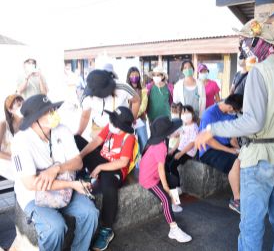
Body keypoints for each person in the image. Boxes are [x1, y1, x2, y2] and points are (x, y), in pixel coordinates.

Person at [195, 18, 274, 251]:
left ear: (260, 41)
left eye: (247, 41)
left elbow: (253, 122)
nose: (244, 46)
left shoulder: (259, 72)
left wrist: (213, 129)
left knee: (251, 226)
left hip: (260, 157)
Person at [12, 94, 98, 251]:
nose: (54, 113)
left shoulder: (62, 130)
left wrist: (56, 168)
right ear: (34, 119)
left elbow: (78, 162)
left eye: (53, 108)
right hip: (35, 197)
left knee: (90, 213)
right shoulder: (21, 141)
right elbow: (32, 183)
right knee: (55, 229)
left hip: (65, 190)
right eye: (48, 111)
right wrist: (72, 184)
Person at [79, 106, 135, 250]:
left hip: (115, 169)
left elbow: (123, 162)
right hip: (102, 162)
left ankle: (107, 229)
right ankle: (81, 174)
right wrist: (80, 156)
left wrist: (100, 168)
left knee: (108, 185)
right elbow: (95, 142)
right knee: (77, 140)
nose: (111, 123)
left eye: (114, 122)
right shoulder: (110, 128)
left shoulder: (129, 137)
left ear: (122, 126)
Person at [139, 116, 192, 243]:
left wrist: (168, 184)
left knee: (173, 180)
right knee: (165, 198)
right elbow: (161, 169)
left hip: (154, 174)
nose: (177, 130)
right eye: (175, 129)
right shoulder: (160, 146)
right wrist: (166, 188)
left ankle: (175, 203)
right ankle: (173, 230)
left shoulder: (159, 141)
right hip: (149, 180)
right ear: (168, 133)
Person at [198, 94, 242, 214]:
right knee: (236, 161)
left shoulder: (231, 114)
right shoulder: (209, 114)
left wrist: (239, 149)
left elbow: (233, 138)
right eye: (237, 111)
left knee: (245, 157)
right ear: (231, 108)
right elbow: (208, 140)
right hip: (208, 150)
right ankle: (236, 200)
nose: (237, 114)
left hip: (225, 146)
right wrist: (230, 151)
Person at [76, 69, 140, 139]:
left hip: (121, 130)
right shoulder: (86, 97)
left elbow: (136, 100)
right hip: (99, 129)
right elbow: (85, 116)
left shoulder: (122, 87)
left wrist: (131, 120)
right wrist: (78, 134)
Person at [166, 105, 199, 202]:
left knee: (172, 166)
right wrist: (173, 150)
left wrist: (180, 154)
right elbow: (180, 139)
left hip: (188, 152)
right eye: (183, 113)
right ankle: (170, 186)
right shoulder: (184, 125)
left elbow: (192, 143)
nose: (184, 115)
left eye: (187, 113)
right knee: (167, 160)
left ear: (192, 114)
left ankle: (177, 187)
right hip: (180, 149)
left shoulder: (194, 127)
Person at [0, 94, 24, 180]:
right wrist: (14, 159)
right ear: (10, 110)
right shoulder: (3, 124)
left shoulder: (27, 123)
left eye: (23, 104)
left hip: (20, 158)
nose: (22, 106)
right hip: (5, 160)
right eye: (19, 105)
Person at [126, 66, 148, 153]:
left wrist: (135, 115)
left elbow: (143, 106)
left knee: (144, 142)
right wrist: (129, 117)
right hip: (128, 121)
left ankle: (144, 162)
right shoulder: (126, 89)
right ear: (128, 77)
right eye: (132, 75)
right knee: (130, 143)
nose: (134, 77)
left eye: (136, 74)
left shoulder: (143, 90)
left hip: (140, 120)